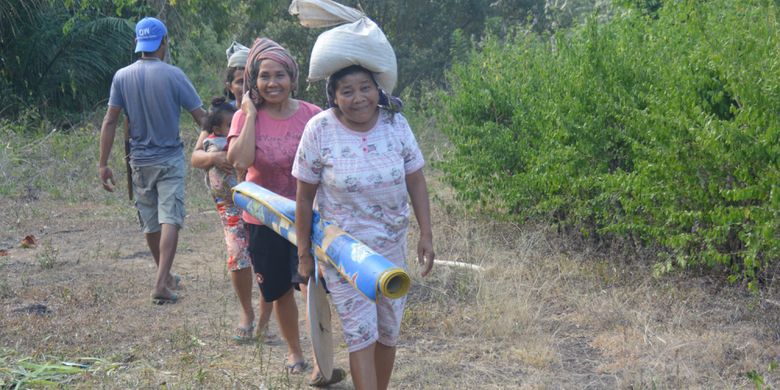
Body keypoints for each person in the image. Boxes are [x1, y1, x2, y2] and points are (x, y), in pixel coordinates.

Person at [293, 64, 435, 390]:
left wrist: (426, 234)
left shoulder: (395, 124)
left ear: (378, 90)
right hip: (345, 252)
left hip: (391, 246)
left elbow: (416, 180)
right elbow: (303, 199)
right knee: (361, 335)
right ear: (333, 96)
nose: (358, 98)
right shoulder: (320, 130)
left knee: (388, 332)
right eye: (347, 91)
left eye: (365, 88)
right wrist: (304, 254)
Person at [227, 37, 344, 385]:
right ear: (253, 82)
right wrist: (249, 114)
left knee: (312, 285)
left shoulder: (313, 115)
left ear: (292, 77)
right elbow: (241, 163)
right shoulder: (243, 117)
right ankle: (295, 352)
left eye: (280, 75)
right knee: (277, 290)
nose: (272, 83)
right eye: (264, 76)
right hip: (263, 219)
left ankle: (322, 362)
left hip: (309, 216)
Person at [98, 16, 205, 305]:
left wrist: (103, 163)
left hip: (139, 162)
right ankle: (161, 283)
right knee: (170, 218)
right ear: (164, 43)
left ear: (137, 43)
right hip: (169, 158)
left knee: (150, 220)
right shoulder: (174, 75)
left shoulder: (122, 76)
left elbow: (110, 121)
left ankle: (165, 275)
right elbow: (201, 118)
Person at [191, 45, 264, 342]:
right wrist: (216, 158)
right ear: (229, 84)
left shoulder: (263, 111)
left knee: (264, 256)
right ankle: (247, 311)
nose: (243, 87)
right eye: (238, 82)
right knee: (238, 254)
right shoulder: (220, 115)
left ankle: (268, 316)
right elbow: (195, 157)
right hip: (229, 205)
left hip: (260, 199)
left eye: (248, 81)